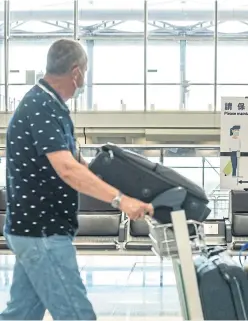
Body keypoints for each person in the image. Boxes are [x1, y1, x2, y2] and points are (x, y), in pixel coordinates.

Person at [0, 39, 153, 320]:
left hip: (33, 230)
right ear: (77, 73)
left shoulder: (49, 105)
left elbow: (79, 165)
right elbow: (67, 169)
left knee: (20, 314)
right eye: (85, 71)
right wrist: (121, 201)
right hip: (42, 233)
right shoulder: (41, 106)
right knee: (77, 315)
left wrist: (128, 187)